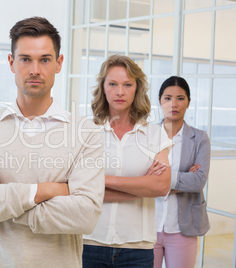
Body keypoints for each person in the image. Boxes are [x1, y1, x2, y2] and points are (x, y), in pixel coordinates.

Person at [0, 17, 104, 267]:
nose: (35, 70)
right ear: (12, 63)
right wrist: (44, 190)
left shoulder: (85, 133)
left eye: (44, 59)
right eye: (25, 59)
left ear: (59, 63)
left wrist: (0, 193)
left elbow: (85, 216)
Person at [82, 54, 172, 268]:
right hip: (90, 242)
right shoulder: (86, 132)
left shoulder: (155, 135)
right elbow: (77, 188)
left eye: (127, 84)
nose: (120, 91)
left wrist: (102, 180)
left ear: (137, 89)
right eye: (112, 84)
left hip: (137, 249)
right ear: (103, 88)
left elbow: (161, 186)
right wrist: (141, 186)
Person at [153, 76, 210, 268]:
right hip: (147, 226)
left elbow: (198, 181)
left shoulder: (200, 138)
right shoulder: (146, 135)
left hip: (182, 228)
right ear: (160, 101)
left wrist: (159, 181)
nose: (174, 104)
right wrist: (184, 177)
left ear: (188, 102)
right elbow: (140, 178)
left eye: (180, 98)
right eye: (167, 98)